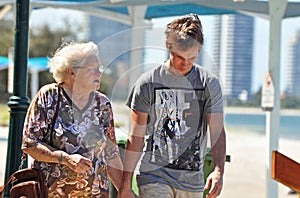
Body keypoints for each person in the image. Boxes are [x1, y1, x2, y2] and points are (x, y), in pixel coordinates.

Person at [118, 14, 226, 198]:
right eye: (179, 57)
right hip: (153, 176)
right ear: (168, 46)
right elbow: (136, 137)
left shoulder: (209, 83)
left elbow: (217, 131)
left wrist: (218, 171)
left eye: (192, 57)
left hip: (192, 181)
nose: (185, 63)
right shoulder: (147, 83)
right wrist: (125, 184)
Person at [22, 41, 123, 197]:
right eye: (92, 69)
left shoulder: (102, 104)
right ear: (72, 72)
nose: (99, 73)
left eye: (99, 68)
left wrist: (125, 190)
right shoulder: (49, 97)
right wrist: (65, 159)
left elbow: (111, 154)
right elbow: (30, 144)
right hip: (52, 192)